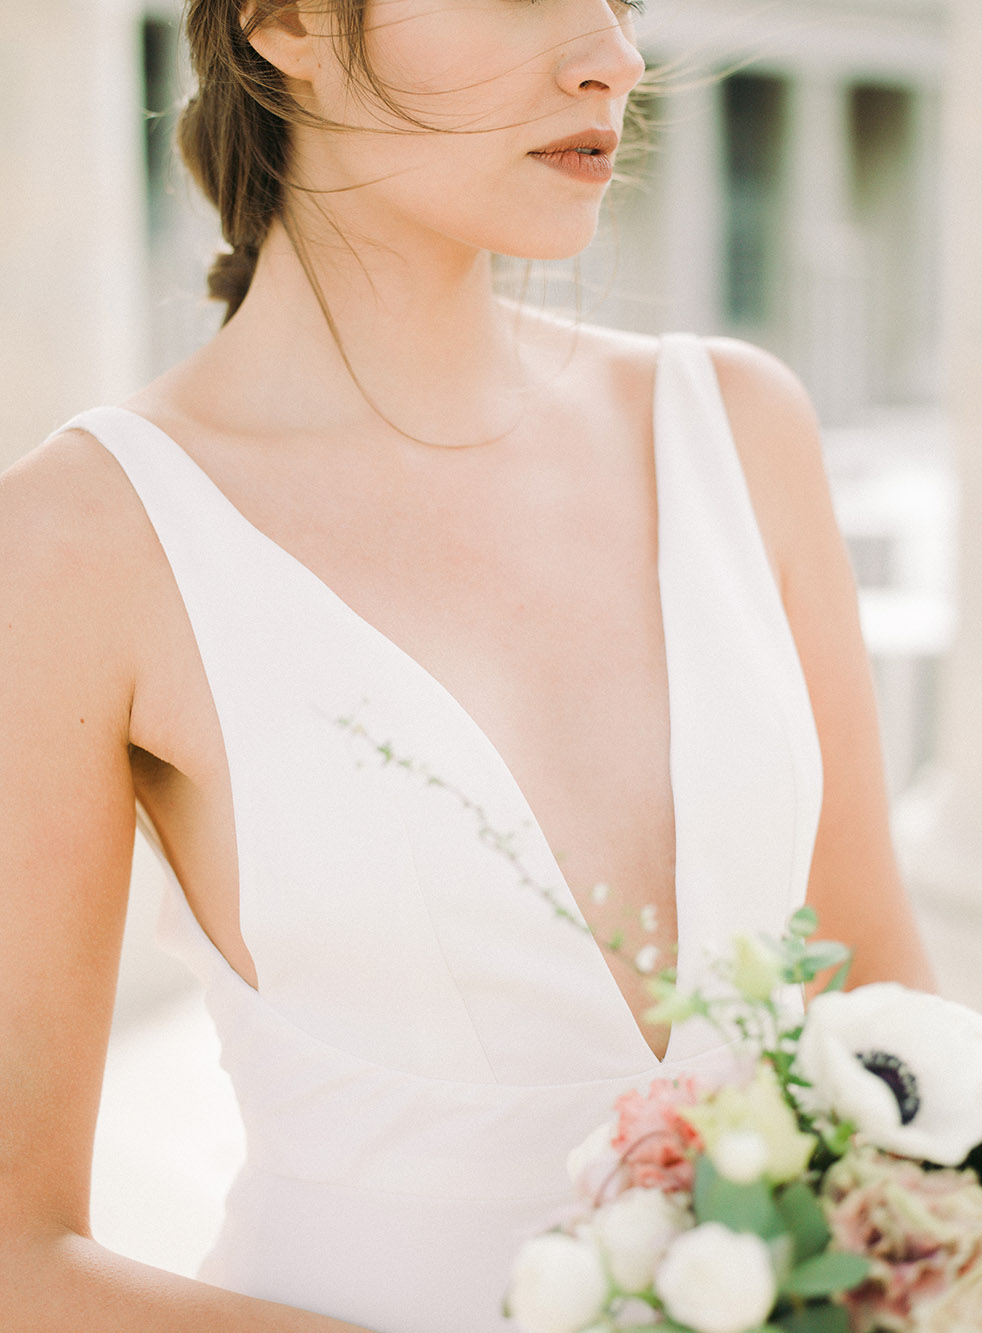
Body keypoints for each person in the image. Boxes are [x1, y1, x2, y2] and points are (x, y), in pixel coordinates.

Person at [0, 0, 934, 1329]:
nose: (611, 53)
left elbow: (883, 1006)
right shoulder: (78, 542)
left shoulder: (738, 431)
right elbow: (15, 1253)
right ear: (285, 23)